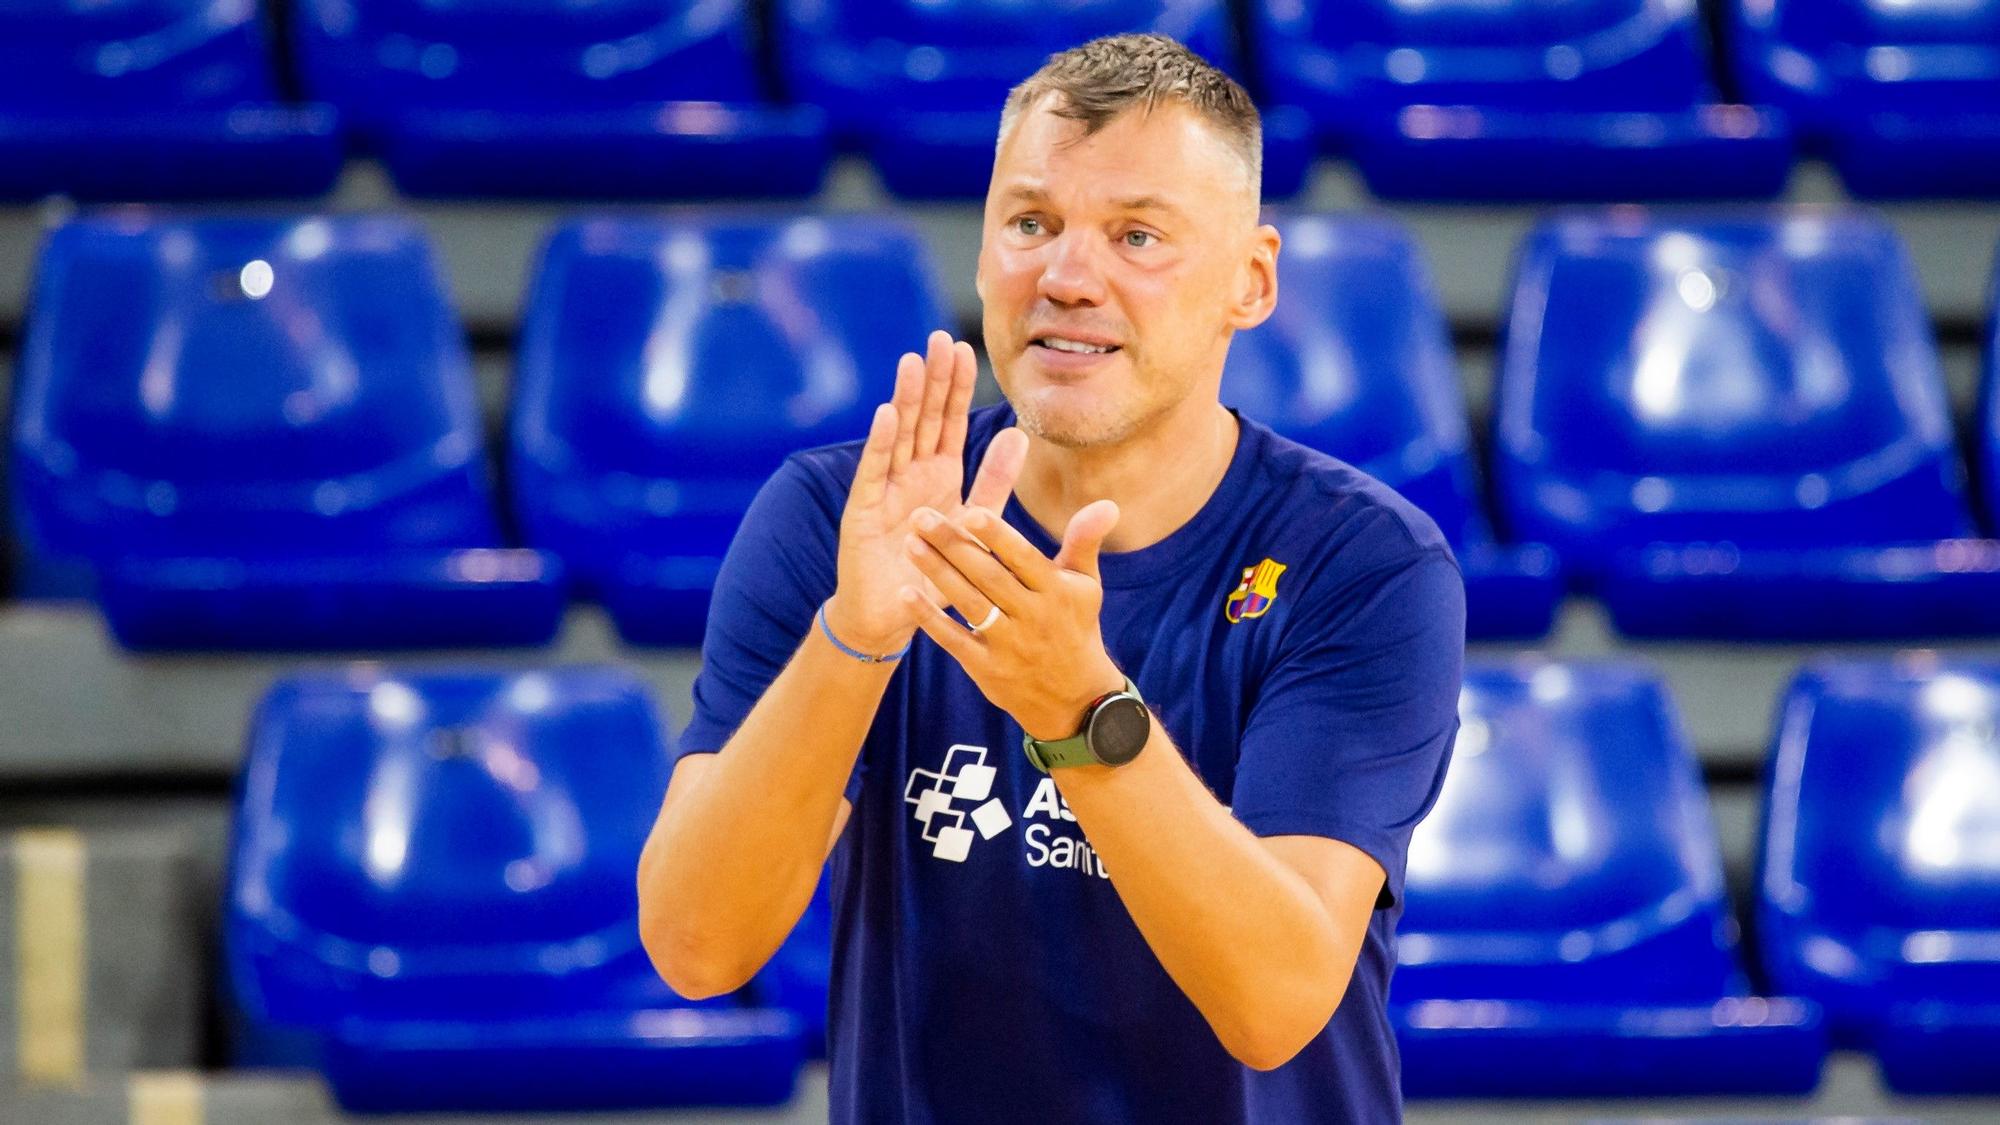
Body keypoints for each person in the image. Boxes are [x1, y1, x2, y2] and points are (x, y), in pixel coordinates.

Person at [637, 32, 1464, 1124]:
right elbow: (698, 948)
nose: (1067, 278)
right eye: (1029, 224)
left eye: (1136, 236)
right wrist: (857, 638)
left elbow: (1273, 1003)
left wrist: (1079, 710)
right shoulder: (840, 521)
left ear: (1249, 281)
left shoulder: (1360, 563)